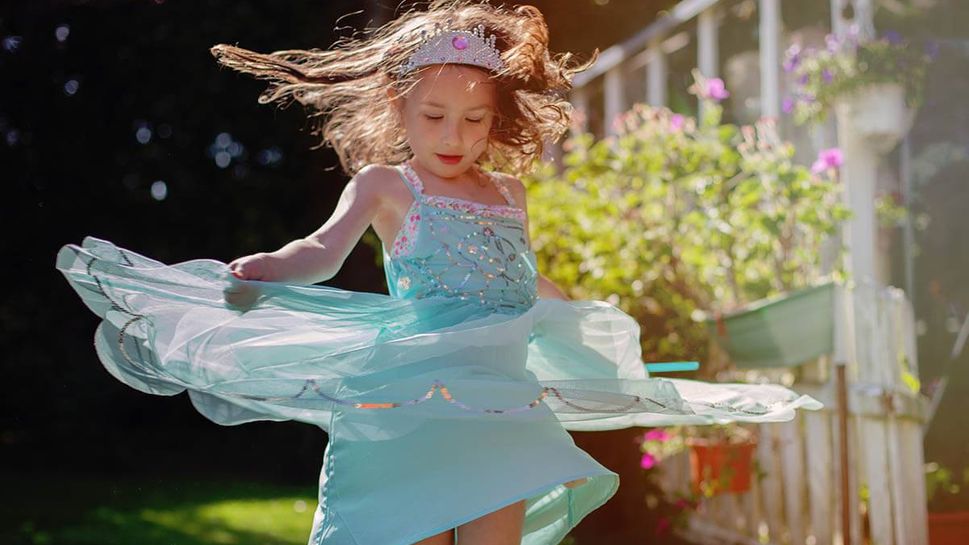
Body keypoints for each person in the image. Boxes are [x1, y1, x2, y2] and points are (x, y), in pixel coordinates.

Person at [55, 2, 822, 544]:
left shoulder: (508, 195)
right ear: (399, 105)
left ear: (497, 118)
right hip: (413, 405)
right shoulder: (388, 187)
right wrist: (271, 268)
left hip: (500, 408)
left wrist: (591, 320)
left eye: (474, 119)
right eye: (433, 117)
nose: (454, 136)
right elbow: (320, 251)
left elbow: (526, 282)